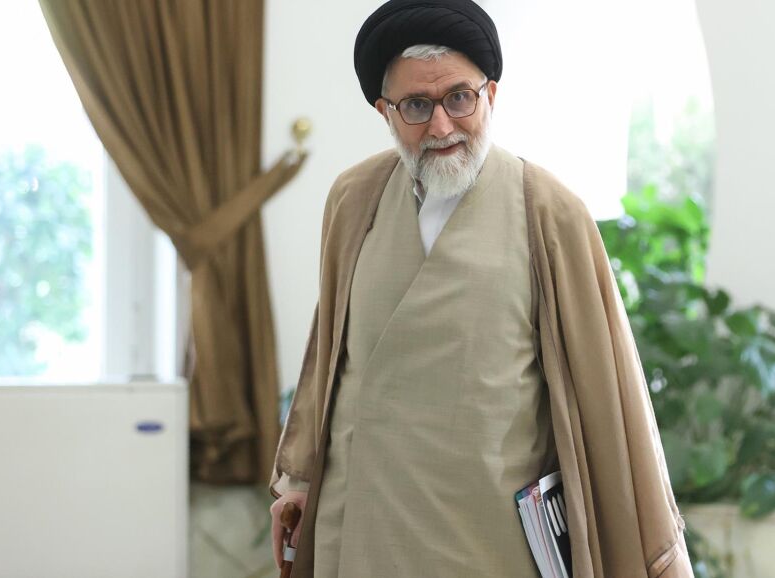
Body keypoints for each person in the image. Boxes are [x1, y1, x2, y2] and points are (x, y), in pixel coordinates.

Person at [268, 1, 693, 576]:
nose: (441, 126)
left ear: (490, 94)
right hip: (364, 522)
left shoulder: (549, 211)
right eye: (417, 105)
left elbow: (608, 392)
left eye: (459, 98)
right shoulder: (354, 199)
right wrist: (299, 480)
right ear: (384, 111)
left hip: (488, 538)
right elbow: (330, 357)